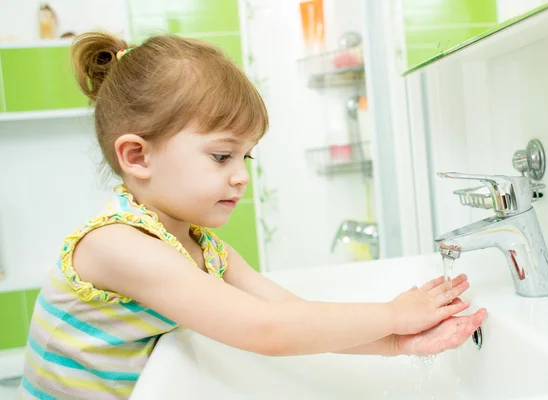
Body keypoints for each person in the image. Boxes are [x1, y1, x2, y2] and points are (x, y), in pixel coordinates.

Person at [18, 31, 486, 400]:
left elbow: (288, 312)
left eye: (248, 158)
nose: (241, 177)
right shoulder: (117, 246)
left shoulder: (203, 247)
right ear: (138, 157)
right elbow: (266, 330)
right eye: (222, 156)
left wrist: (394, 341)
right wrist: (391, 314)